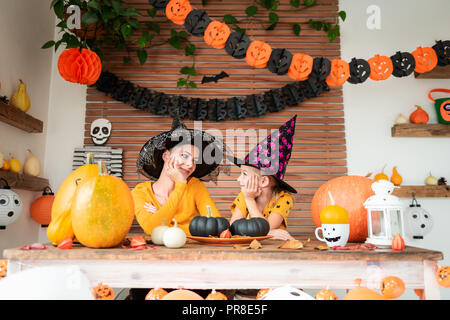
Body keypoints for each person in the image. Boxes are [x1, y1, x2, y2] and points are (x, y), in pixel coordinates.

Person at [128, 116, 234, 300]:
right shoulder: (140, 193)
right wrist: (180, 188)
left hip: (193, 267)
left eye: (194, 160)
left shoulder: (196, 187)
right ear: (166, 155)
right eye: (184, 156)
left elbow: (218, 228)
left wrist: (166, 222)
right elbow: (152, 229)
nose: (190, 165)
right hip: (155, 270)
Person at [229, 115, 298, 241]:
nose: (238, 179)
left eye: (244, 174)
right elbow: (232, 228)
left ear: (263, 181)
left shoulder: (283, 199)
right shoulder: (244, 195)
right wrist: (249, 199)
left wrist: (250, 201)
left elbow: (264, 229)